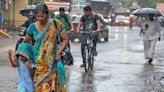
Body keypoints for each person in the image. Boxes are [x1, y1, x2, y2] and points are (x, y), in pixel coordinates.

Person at [23, 4, 69, 92]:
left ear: (47, 14)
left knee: (51, 87)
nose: (40, 18)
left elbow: (65, 40)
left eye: (42, 16)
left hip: (52, 62)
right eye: (37, 16)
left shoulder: (56, 23)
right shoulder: (32, 26)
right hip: (37, 63)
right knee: (39, 87)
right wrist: (23, 56)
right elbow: (25, 43)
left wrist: (59, 52)